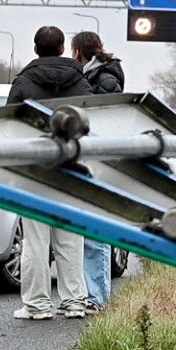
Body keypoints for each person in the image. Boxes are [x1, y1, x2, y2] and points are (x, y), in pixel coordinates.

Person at [7, 25, 92, 320]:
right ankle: (74, 302)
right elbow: (91, 125)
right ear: (62, 50)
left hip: (34, 169)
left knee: (35, 240)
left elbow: (10, 125)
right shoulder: (81, 84)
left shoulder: (23, 83)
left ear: (35, 49)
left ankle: (38, 305)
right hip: (71, 169)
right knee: (70, 239)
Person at [71, 31, 125, 313]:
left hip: (98, 163)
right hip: (94, 160)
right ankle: (92, 295)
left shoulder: (104, 79)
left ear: (79, 51)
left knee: (95, 236)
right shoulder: (98, 76)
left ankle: (98, 297)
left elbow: (106, 120)